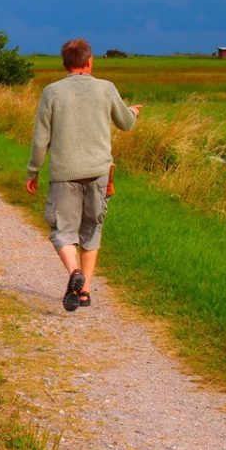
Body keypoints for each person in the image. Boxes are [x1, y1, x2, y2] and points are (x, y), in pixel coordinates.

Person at [26, 39, 141, 311]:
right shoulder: (106, 88)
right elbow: (125, 123)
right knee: (92, 229)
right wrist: (134, 112)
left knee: (62, 231)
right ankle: (85, 290)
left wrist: (33, 171)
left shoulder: (52, 92)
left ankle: (73, 273)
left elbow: (40, 138)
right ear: (89, 61)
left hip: (64, 174)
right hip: (99, 172)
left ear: (65, 63)